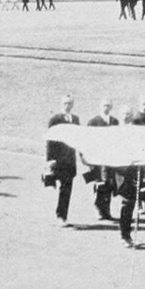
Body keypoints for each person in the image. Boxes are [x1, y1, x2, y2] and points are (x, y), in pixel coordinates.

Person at [46, 95, 80, 226]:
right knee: (60, 185)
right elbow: (50, 140)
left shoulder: (75, 119)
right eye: (65, 103)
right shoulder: (55, 119)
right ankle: (60, 214)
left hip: (70, 160)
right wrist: (50, 159)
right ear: (61, 104)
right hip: (58, 159)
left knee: (66, 188)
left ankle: (62, 215)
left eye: (70, 103)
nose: (67, 106)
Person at [85, 98, 119, 220]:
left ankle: (107, 210)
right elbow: (88, 142)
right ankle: (99, 209)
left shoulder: (115, 122)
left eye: (109, 106)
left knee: (109, 184)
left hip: (110, 159)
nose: (106, 108)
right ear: (100, 106)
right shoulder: (93, 122)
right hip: (98, 159)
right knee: (99, 184)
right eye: (104, 105)